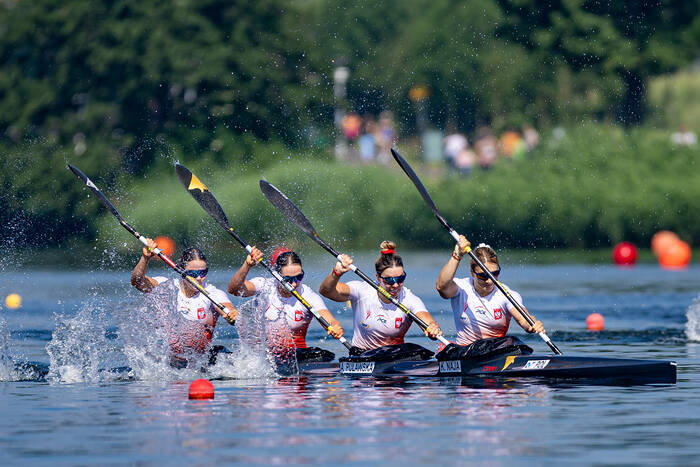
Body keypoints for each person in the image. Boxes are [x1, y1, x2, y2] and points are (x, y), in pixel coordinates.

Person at [319, 241, 442, 352]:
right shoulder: (362, 290)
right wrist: (337, 273)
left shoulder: (409, 299)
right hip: (363, 356)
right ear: (378, 278)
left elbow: (425, 319)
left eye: (400, 278)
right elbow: (326, 291)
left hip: (394, 357)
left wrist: (432, 327)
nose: (396, 285)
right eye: (389, 280)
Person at [130, 239, 237, 366]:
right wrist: (145, 258)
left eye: (203, 273)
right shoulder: (167, 287)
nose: (198, 278)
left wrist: (232, 315)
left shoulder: (212, 293)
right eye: (193, 273)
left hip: (201, 361)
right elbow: (137, 282)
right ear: (181, 271)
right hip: (170, 362)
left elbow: (229, 310)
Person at [228, 246, 344, 353]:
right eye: (288, 279)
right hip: (263, 356)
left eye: (299, 277)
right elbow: (234, 289)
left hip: (296, 357)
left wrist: (335, 327)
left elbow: (330, 321)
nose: (294, 284)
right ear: (276, 275)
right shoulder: (264, 285)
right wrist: (247, 265)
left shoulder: (308, 296)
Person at [436, 236, 544, 346]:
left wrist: (532, 324)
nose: (489, 281)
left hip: (495, 350)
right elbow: (442, 287)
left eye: (495, 274)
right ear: (472, 272)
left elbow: (523, 319)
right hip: (465, 351)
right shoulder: (462, 287)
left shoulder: (506, 294)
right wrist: (457, 255)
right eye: (483, 276)